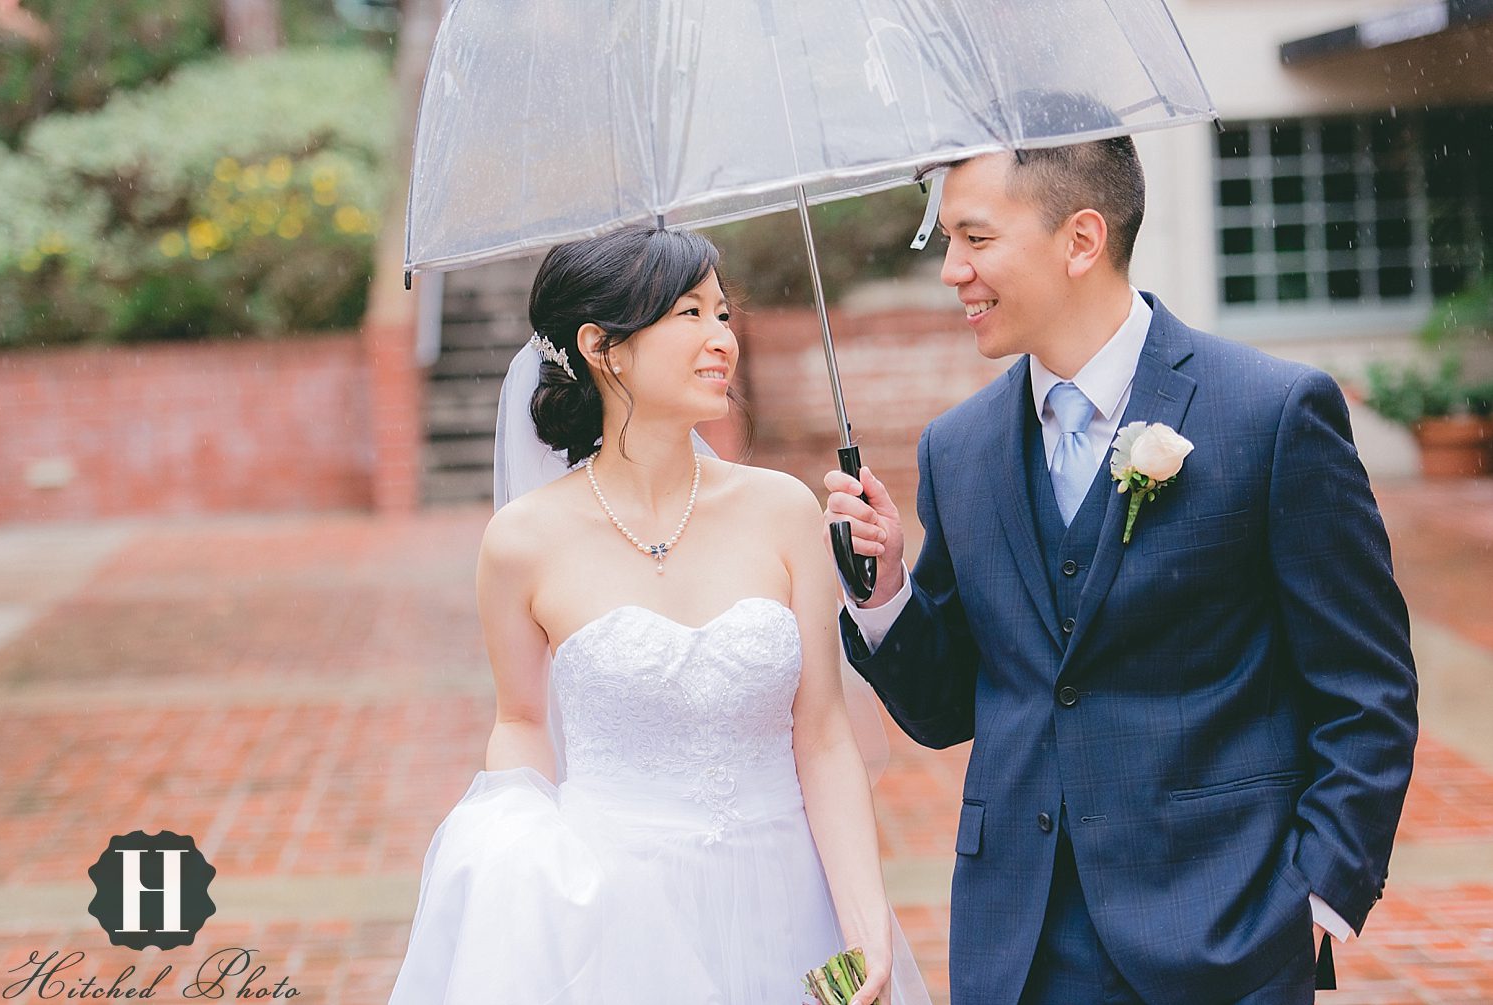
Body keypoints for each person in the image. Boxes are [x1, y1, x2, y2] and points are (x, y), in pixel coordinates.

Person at [824, 139, 1418, 1004]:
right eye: (947, 240)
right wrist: (885, 598)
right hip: (1017, 945)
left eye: (975, 238)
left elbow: (1366, 685)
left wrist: (1320, 891)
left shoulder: (1270, 412)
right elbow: (952, 706)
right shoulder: (958, 450)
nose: (952, 270)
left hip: (1226, 930)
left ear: (1081, 239)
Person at [388, 226, 931, 1005]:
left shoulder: (781, 510)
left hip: (787, 896)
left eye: (724, 314)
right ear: (603, 347)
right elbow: (523, 721)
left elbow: (823, 735)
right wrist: (519, 867)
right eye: (690, 314)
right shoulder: (522, 542)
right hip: (613, 911)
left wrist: (864, 919)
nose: (723, 341)